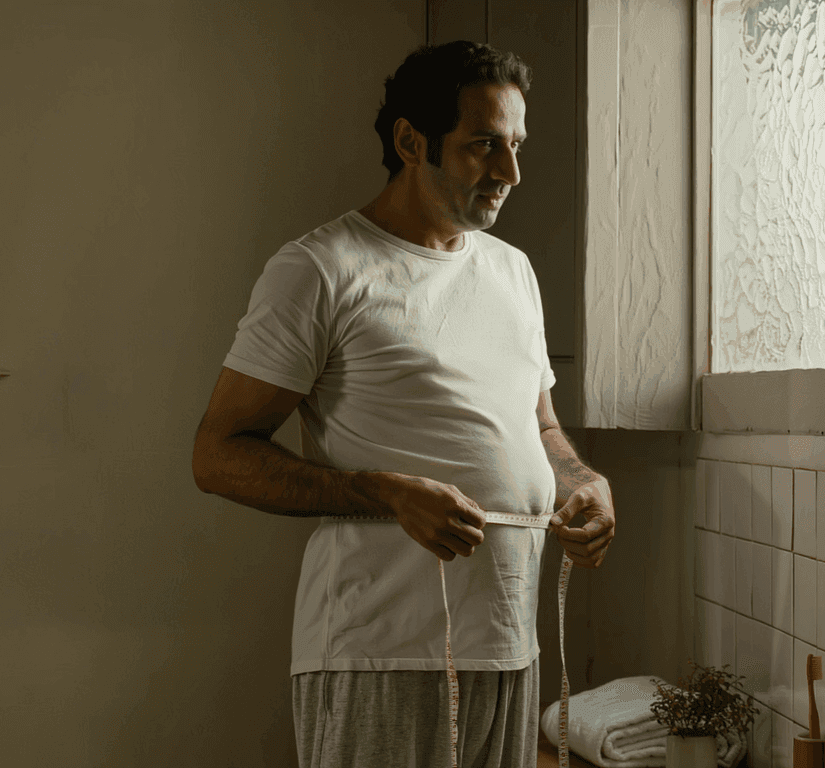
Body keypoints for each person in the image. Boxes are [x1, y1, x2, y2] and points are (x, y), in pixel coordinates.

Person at [190, 41, 616, 768]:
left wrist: (584, 483)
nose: (511, 173)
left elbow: (538, 426)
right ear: (412, 142)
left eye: (515, 145)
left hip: (511, 651)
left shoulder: (513, 272)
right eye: (484, 145)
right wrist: (380, 492)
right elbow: (218, 455)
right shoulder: (321, 269)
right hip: (379, 655)